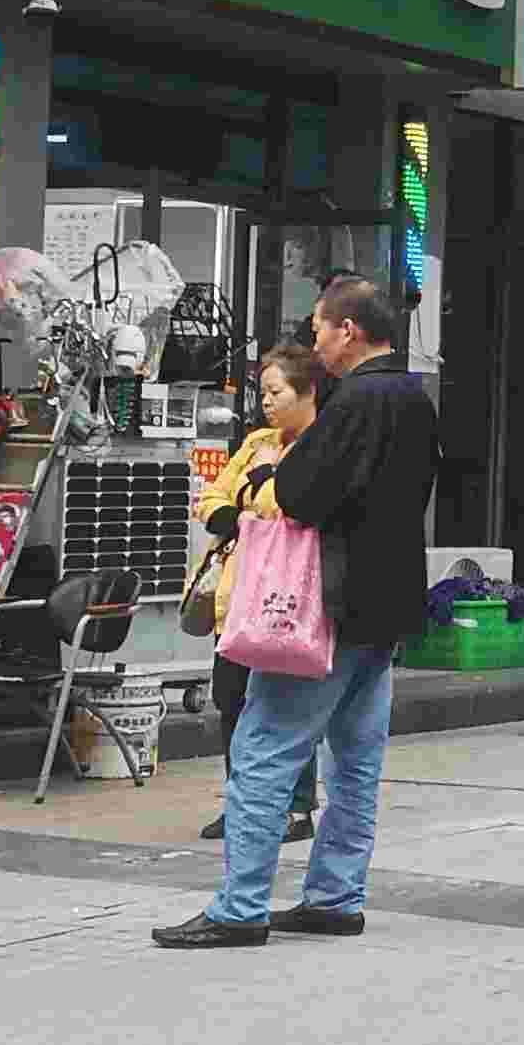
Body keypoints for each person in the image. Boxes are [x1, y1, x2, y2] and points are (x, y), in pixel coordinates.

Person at [156, 276, 429, 949]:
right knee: (355, 761)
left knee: (263, 749)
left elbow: (304, 496)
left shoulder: (355, 400)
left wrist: (260, 483)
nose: (316, 340)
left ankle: (239, 908)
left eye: (319, 328)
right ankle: (335, 897)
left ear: (348, 330)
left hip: (321, 607)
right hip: (385, 605)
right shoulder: (415, 397)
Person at [190, 340, 323, 846]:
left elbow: (289, 509)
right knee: (232, 699)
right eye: (262, 392)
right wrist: (234, 515)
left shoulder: (319, 445)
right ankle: (241, 801)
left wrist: (266, 479)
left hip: (287, 596)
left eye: (276, 391)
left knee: (288, 703)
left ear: (306, 392)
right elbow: (212, 498)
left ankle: (295, 807)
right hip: (238, 593)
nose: (266, 402)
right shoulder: (255, 442)